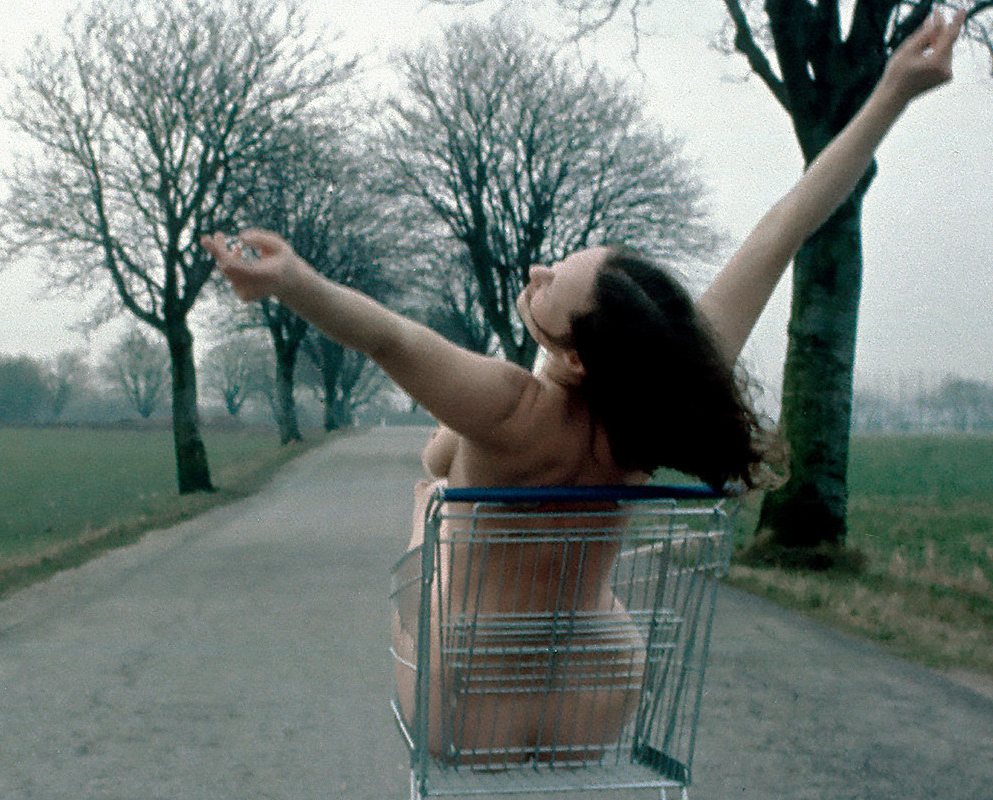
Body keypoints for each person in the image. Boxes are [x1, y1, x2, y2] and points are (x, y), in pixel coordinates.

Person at [202, 8, 965, 761]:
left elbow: (390, 336)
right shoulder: (659, 402)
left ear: (576, 360)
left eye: (547, 285)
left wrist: (293, 281)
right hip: (596, 692)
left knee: (430, 500)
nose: (534, 273)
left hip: (465, 698)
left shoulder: (510, 407)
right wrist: (892, 92)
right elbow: (783, 229)